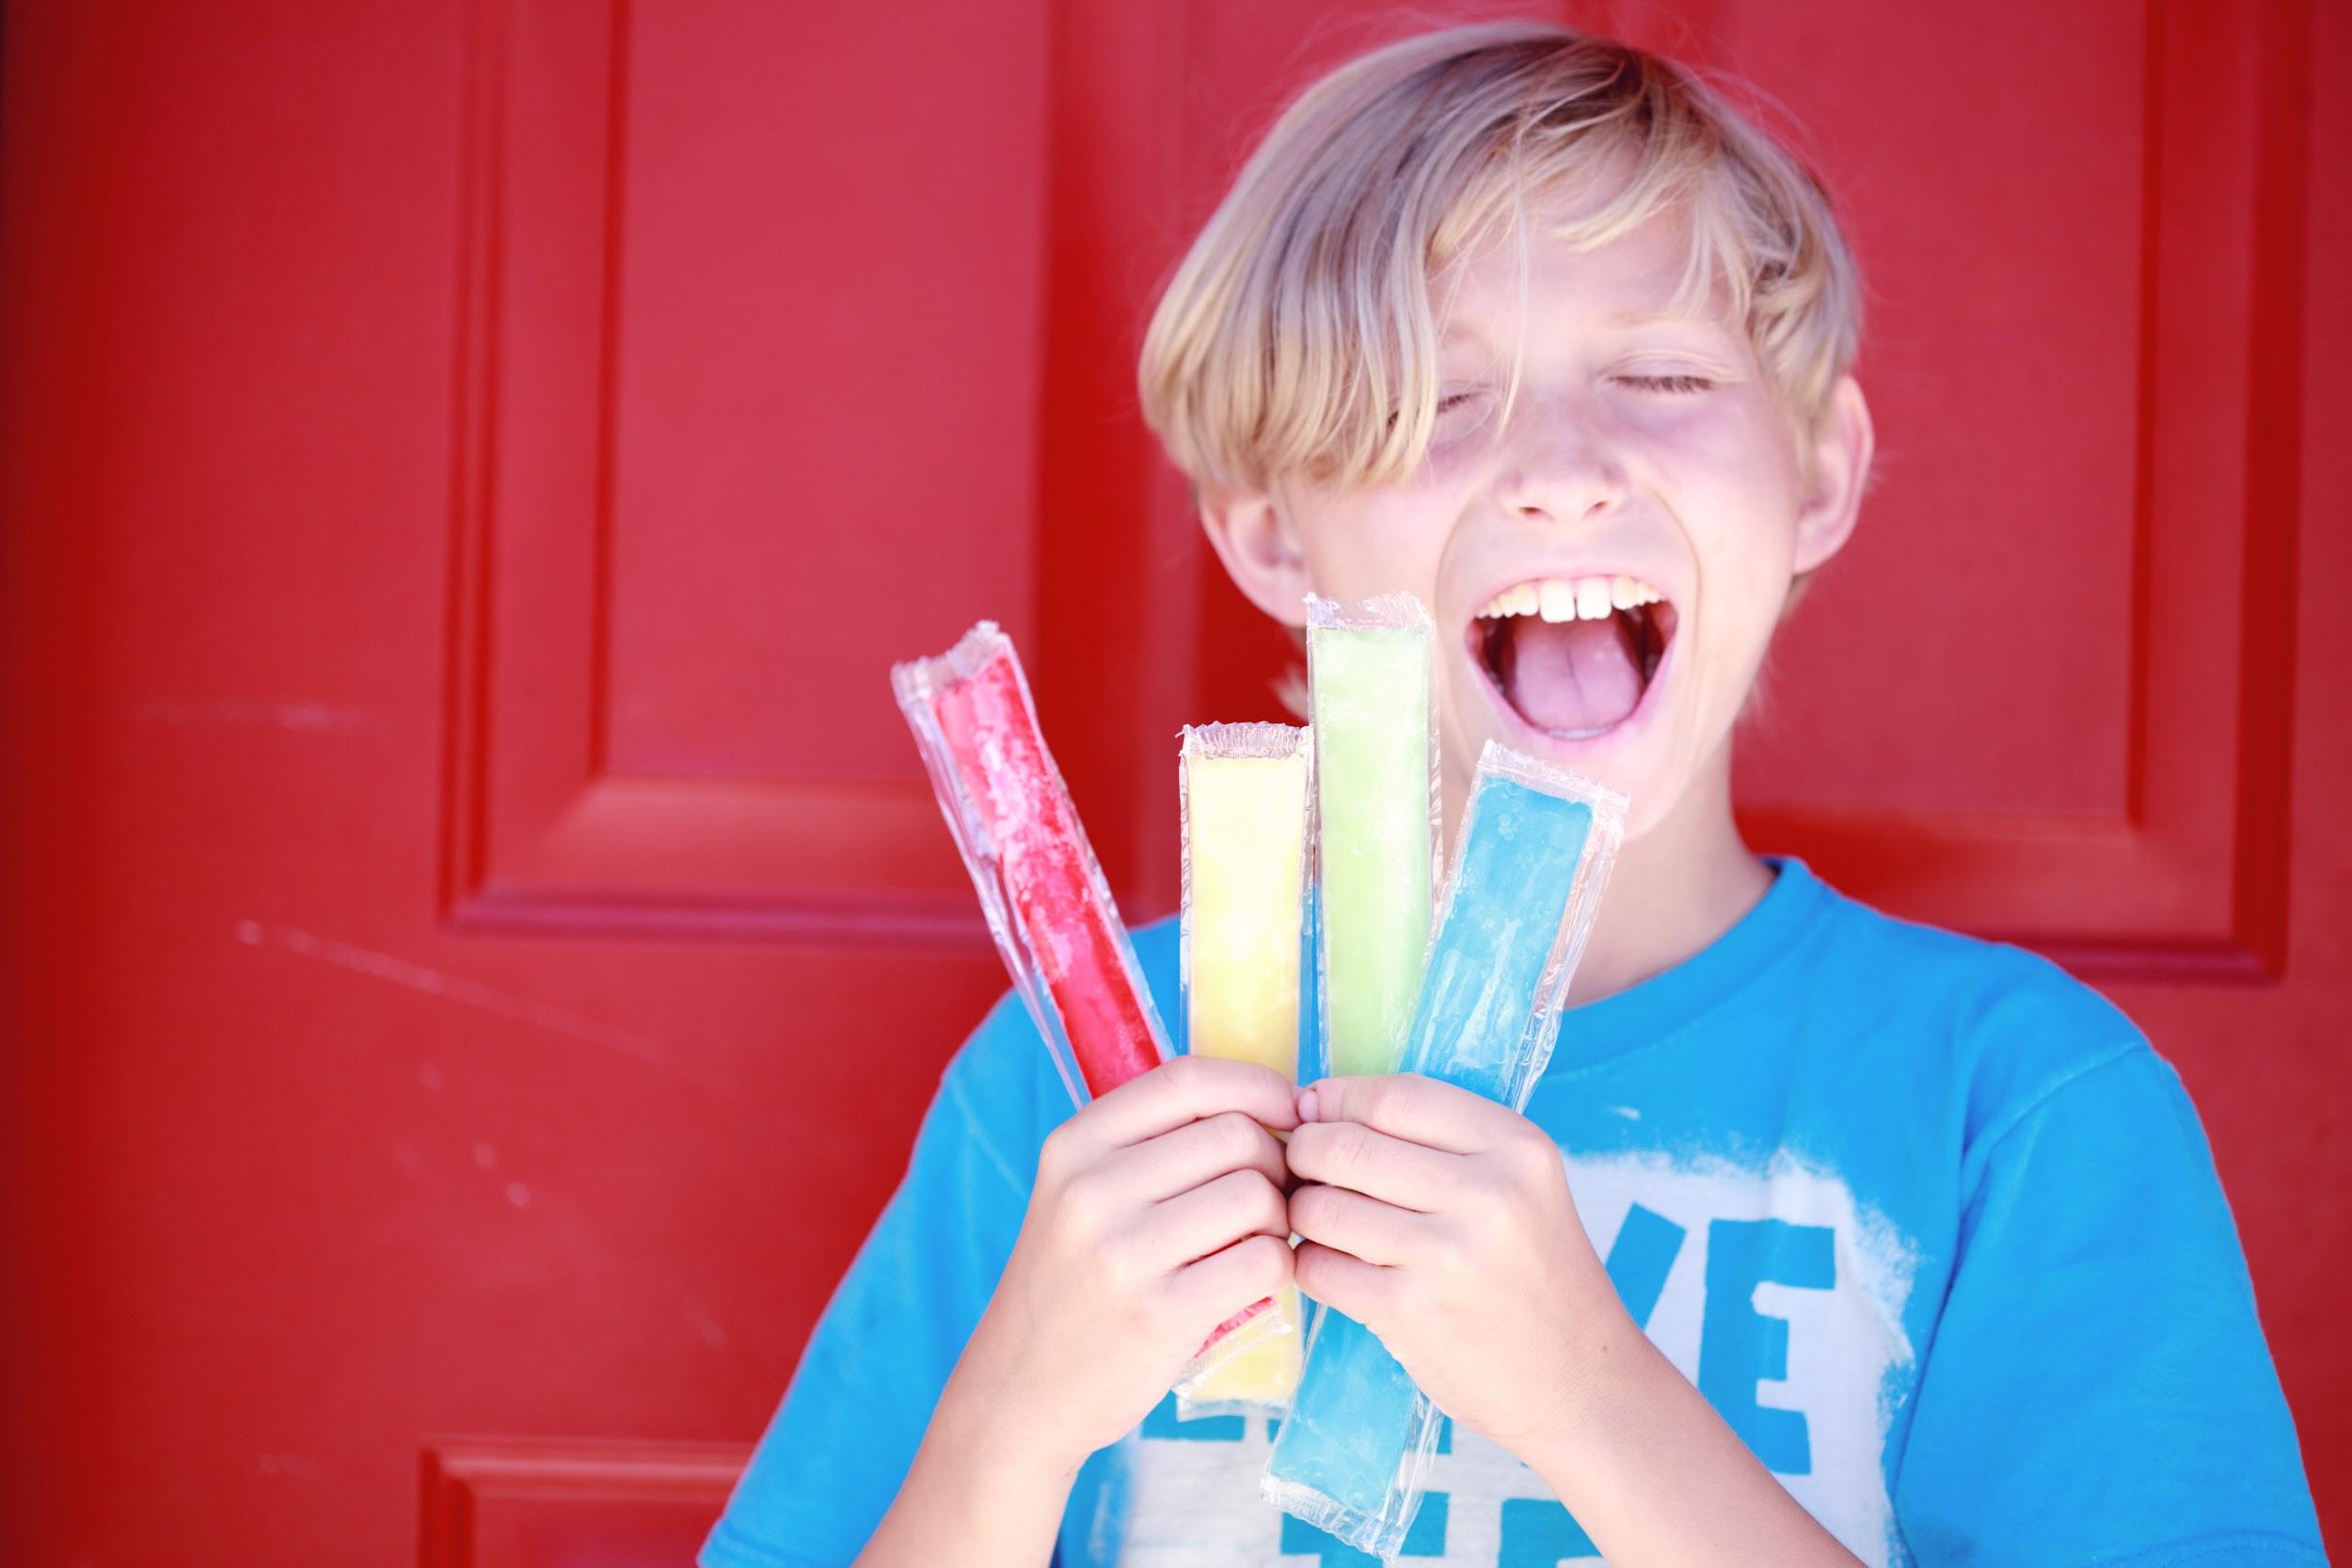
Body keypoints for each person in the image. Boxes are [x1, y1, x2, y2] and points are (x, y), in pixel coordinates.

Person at [702, 22, 2325, 1567]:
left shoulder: (2016, 1105)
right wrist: (1016, 1413)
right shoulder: (1075, 1088)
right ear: (1272, 534)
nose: (1559, 464)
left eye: (1665, 379)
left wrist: (1590, 1397)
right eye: (1438, 401)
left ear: (1817, 473)